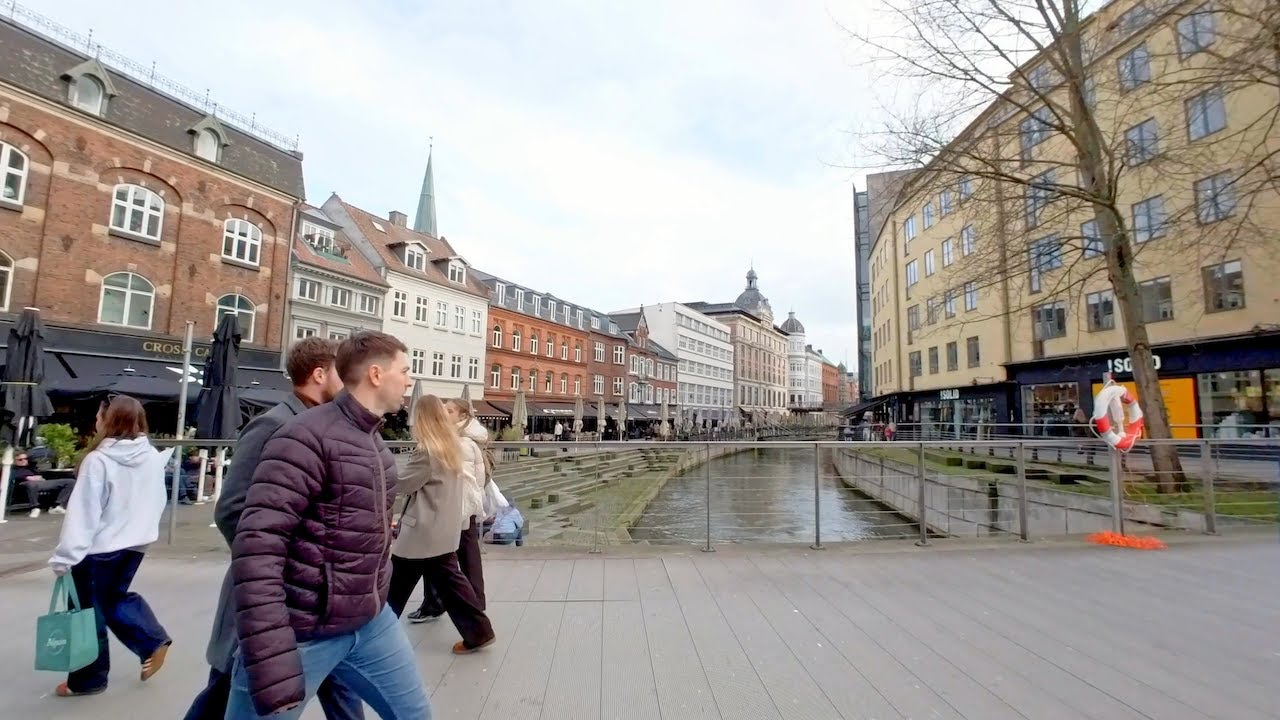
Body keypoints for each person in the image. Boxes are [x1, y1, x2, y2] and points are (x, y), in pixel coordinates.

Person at [226, 331, 427, 719]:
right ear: (375, 374)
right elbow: (258, 548)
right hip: (304, 630)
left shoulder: (376, 446)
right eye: (405, 371)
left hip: (370, 621)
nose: (409, 380)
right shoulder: (303, 438)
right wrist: (270, 647)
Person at [183, 338, 362, 720]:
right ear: (319, 374)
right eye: (341, 374)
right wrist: (270, 565)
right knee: (228, 684)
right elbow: (232, 508)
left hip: (317, 593)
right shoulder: (274, 425)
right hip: (273, 590)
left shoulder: (326, 426)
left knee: (340, 682)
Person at [47, 395, 174, 697]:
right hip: (134, 544)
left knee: (86, 613)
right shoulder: (150, 456)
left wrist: (65, 556)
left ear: (107, 420)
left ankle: (87, 679)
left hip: (96, 548)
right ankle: (151, 640)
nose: (95, 420)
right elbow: (157, 501)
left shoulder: (99, 460)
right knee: (112, 598)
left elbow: (84, 513)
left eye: (99, 416)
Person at [387, 395, 495, 655]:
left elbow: (403, 484)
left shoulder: (427, 451)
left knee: (395, 585)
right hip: (443, 528)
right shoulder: (450, 446)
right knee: (449, 583)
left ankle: (373, 638)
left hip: (423, 531)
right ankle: (479, 632)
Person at [407, 398, 489, 623]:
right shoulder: (466, 440)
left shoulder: (456, 442)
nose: (444, 413)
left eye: (450, 410)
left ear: (462, 416)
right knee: (460, 558)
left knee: (443, 559)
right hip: (465, 506)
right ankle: (472, 608)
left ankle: (447, 607)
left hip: (454, 508)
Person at [14, 450, 74, 517]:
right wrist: (26, 478)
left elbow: (39, 473)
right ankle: (35, 507)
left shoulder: (31, 467)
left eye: (25, 459)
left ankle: (57, 506)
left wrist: (39, 477)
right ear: (14, 461)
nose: (24, 461)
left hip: (40, 482)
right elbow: (13, 476)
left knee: (70, 482)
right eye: (20, 459)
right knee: (31, 484)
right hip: (24, 483)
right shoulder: (12, 469)